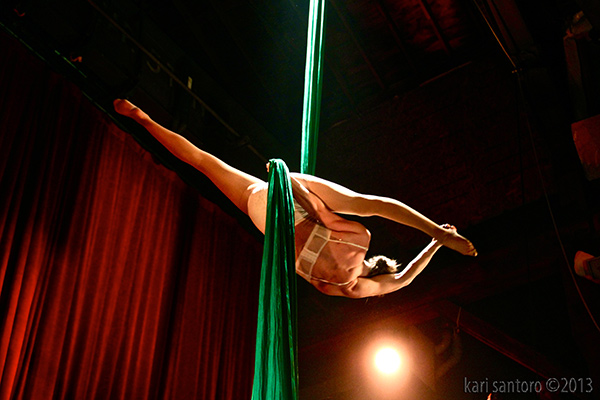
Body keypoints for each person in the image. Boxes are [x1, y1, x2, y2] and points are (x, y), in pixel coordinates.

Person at [113, 99, 477, 298]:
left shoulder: (360, 241)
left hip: (286, 201)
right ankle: (143, 123)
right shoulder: (343, 289)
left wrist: (285, 178)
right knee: (203, 167)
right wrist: (433, 248)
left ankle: (144, 118)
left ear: (381, 260)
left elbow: (319, 211)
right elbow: (405, 278)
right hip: (267, 222)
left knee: (368, 204)